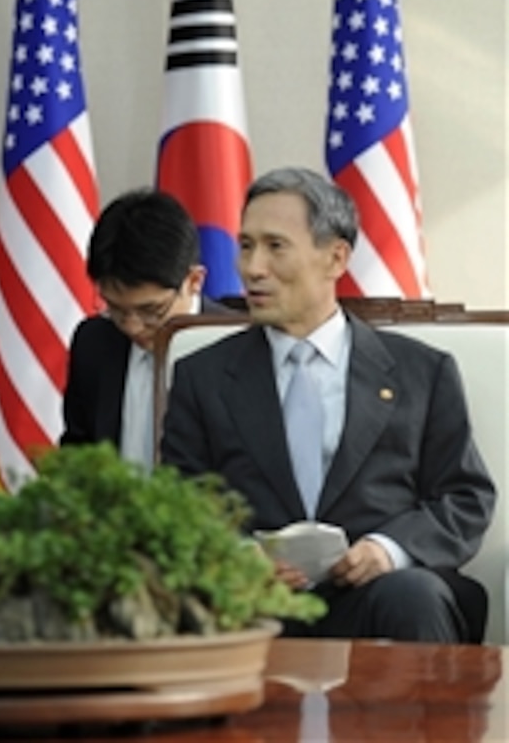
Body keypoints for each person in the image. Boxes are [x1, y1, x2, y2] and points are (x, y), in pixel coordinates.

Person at [160, 167, 495, 642]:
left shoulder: (423, 372)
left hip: (377, 593)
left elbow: (465, 497)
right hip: (253, 600)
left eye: (275, 246)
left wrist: (389, 549)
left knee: (413, 595)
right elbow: (180, 502)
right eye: (246, 245)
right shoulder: (203, 377)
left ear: (335, 257)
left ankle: (421, 720)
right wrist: (233, 555)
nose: (252, 267)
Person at [61, 188, 235, 465]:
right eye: (115, 308)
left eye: (151, 311)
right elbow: (77, 454)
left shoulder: (238, 348)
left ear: (194, 281)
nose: (132, 327)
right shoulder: (93, 342)